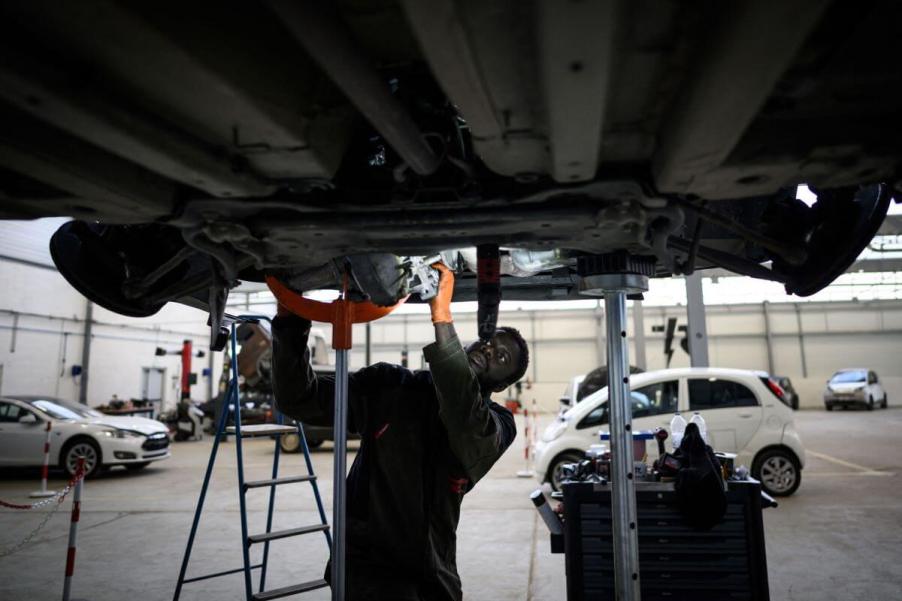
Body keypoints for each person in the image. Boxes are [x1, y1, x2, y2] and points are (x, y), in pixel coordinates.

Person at [271, 264, 529, 600]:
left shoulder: (495, 428)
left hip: (426, 582)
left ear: (504, 383)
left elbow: (462, 410)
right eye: (488, 341)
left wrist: (441, 318)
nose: (489, 350)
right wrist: (290, 316)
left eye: (501, 356)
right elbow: (298, 398)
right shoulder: (393, 385)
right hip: (361, 573)